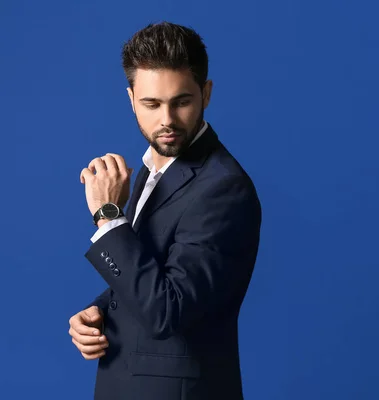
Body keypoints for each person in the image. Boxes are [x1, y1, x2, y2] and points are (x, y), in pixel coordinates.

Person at [67, 21, 262, 400]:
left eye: (182, 102)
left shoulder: (223, 188)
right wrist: (99, 311)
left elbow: (167, 310)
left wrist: (108, 214)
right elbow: (152, 274)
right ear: (130, 99)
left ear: (205, 93)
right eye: (151, 104)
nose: (167, 120)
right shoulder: (153, 171)